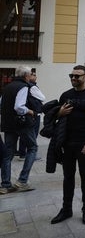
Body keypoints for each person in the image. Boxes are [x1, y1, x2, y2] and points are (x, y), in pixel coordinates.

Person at [51, 65, 85, 225]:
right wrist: (59, 113)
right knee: (68, 176)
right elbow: (57, 118)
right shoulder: (65, 95)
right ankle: (66, 209)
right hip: (67, 142)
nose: (73, 78)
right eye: (71, 75)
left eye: (77, 76)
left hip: (84, 143)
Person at [0, 66, 39, 194]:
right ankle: (22, 181)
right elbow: (19, 107)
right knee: (32, 148)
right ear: (26, 76)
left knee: (8, 153)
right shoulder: (23, 87)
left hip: (8, 124)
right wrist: (31, 111)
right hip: (21, 124)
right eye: (30, 75)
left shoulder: (7, 87)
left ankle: (5, 185)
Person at [16, 68, 45, 160]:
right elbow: (43, 97)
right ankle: (29, 153)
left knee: (25, 134)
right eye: (33, 74)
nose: (35, 76)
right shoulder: (32, 87)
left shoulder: (24, 86)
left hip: (26, 113)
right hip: (33, 113)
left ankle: (22, 152)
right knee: (32, 135)